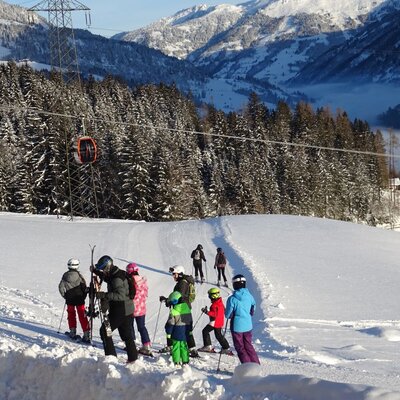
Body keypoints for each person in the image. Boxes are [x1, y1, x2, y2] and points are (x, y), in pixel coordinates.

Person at [93, 255, 138, 363]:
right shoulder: (117, 273)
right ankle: (133, 360)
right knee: (127, 336)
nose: (103, 271)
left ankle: (111, 358)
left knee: (104, 331)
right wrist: (96, 271)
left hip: (120, 309)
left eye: (103, 269)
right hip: (127, 309)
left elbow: (120, 295)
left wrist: (104, 295)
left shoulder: (116, 278)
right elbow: (109, 279)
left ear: (108, 267)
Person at [159, 265, 199, 357]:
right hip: (185, 307)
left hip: (180, 308)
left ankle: (171, 346)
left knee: (170, 326)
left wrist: (167, 300)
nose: (173, 276)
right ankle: (192, 349)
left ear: (180, 273)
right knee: (186, 328)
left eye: (174, 274)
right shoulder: (185, 281)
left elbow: (177, 296)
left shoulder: (182, 283)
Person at [225, 274, 260, 364]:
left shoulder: (232, 299)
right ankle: (256, 364)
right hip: (248, 324)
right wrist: (248, 313)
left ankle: (248, 368)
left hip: (237, 326)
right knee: (248, 345)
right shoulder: (249, 295)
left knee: (240, 347)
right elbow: (253, 307)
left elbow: (228, 314)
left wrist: (232, 314)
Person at [58, 258, 91, 343]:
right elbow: (84, 288)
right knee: (82, 315)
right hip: (79, 299)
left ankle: (72, 332)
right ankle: (86, 334)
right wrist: (84, 296)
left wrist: (65, 296)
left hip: (70, 299)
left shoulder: (65, 275)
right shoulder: (79, 276)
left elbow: (61, 287)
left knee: (71, 314)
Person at [126, 262, 152, 356]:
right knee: (141, 327)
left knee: (130, 326)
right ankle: (146, 345)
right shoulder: (143, 281)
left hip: (132, 307)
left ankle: (131, 344)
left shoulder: (130, 280)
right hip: (141, 308)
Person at [198, 287, 232, 354]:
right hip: (219, 321)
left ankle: (208, 346)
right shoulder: (220, 302)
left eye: (209, 295)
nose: (209, 297)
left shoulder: (215, 304)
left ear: (213, 296)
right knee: (218, 335)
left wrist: (206, 311)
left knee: (205, 331)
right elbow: (223, 310)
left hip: (215, 322)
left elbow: (215, 314)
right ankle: (226, 348)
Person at [164, 291, 193, 366]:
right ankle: (185, 361)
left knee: (176, 347)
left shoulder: (173, 311)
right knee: (184, 346)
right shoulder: (187, 309)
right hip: (185, 332)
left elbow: (171, 324)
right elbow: (190, 321)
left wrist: (168, 332)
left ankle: (176, 361)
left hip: (176, 332)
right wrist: (190, 330)